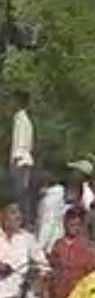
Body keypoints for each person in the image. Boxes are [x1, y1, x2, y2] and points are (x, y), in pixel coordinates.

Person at [9, 91, 34, 228]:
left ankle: (22, 223)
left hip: (21, 161)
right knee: (22, 195)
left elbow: (20, 142)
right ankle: (24, 222)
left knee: (19, 195)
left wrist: (15, 161)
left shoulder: (20, 119)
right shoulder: (26, 120)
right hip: (25, 160)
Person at [34, 170, 66, 252]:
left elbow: (47, 223)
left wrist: (39, 246)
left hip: (50, 245)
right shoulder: (55, 194)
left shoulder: (52, 198)